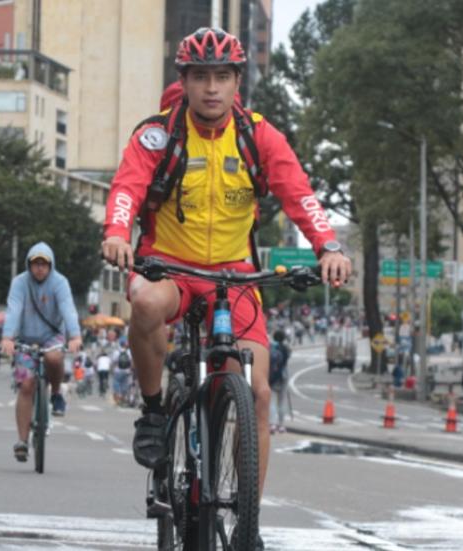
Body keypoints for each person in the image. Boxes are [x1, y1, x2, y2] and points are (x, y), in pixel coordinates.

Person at [100, 28, 352, 547]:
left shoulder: (259, 136)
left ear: (238, 81)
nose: (211, 88)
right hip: (168, 266)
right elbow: (127, 188)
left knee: (256, 392)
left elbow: (300, 194)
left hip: (236, 275)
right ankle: (152, 412)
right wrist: (117, 235)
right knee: (144, 302)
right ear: (185, 82)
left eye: (222, 76)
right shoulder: (157, 134)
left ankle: (247, 524)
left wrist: (328, 246)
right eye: (200, 77)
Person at [1, 242, 82, 462]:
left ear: (50, 265)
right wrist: (8, 337)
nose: (39, 268)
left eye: (43, 264)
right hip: (25, 337)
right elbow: (14, 309)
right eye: (35, 264)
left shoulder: (60, 282)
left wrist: (75, 336)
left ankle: (56, 394)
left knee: (54, 357)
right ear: (29, 264)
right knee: (26, 385)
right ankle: (22, 441)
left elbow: (68, 309)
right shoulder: (19, 283)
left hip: (52, 335)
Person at [268, 330, 291, 434]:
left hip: (273, 376)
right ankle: (281, 425)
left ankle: (272, 424)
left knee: (272, 401)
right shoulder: (287, 348)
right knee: (282, 401)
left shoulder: (271, 348)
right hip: (284, 375)